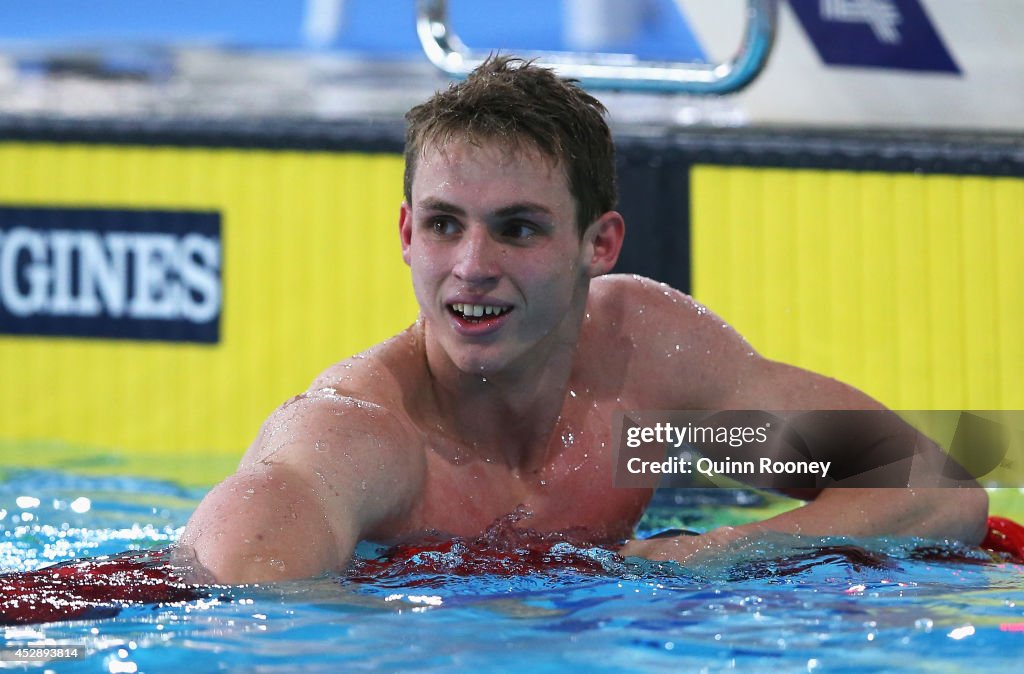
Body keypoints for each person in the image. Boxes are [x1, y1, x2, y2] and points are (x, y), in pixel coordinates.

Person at [178, 56, 988, 584]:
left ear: (598, 243)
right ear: (404, 234)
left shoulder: (642, 381)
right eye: (443, 224)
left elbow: (938, 493)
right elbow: (245, 581)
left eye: (518, 228)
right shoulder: (368, 436)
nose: (472, 265)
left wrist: (706, 555)